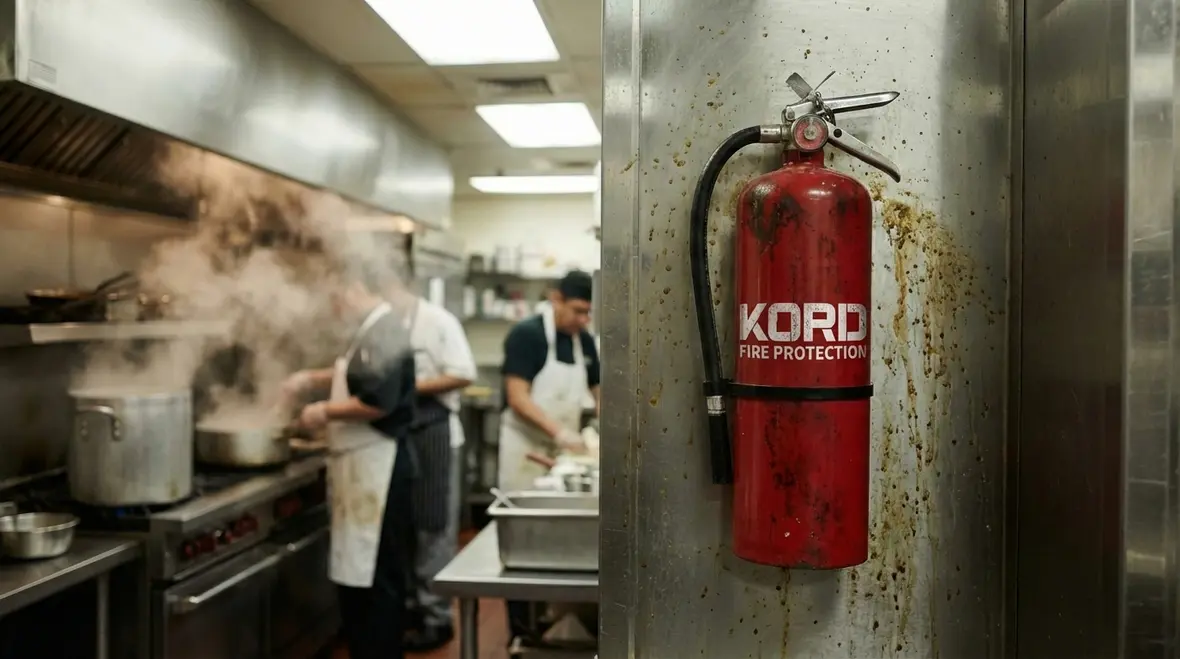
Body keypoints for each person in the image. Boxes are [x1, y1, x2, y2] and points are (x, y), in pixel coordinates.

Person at [283, 263, 417, 659]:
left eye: (337, 297)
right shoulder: (373, 329)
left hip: (380, 470)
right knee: (366, 581)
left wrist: (321, 412)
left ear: (356, 288)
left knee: (378, 583)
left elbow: (378, 402)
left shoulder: (385, 330)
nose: (335, 306)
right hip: (365, 469)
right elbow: (358, 374)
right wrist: (311, 378)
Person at [499, 270, 600, 642]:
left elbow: (602, 393)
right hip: (524, 452)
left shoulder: (584, 341)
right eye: (577, 310)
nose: (583, 320)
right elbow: (518, 396)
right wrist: (558, 431)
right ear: (555, 299)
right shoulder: (526, 335)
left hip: (566, 457)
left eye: (589, 312)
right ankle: (522, 631)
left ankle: (562, 623)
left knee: (561, 543)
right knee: (524, 544)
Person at [388, 275, 477, 652]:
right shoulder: (387, 323)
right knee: (408, 526)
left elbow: (463, 373)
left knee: (434, 525)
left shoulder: (439, 322)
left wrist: (405, 386)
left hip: (436, 434)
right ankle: (412, 609)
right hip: (404, 434)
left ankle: (437, 617)